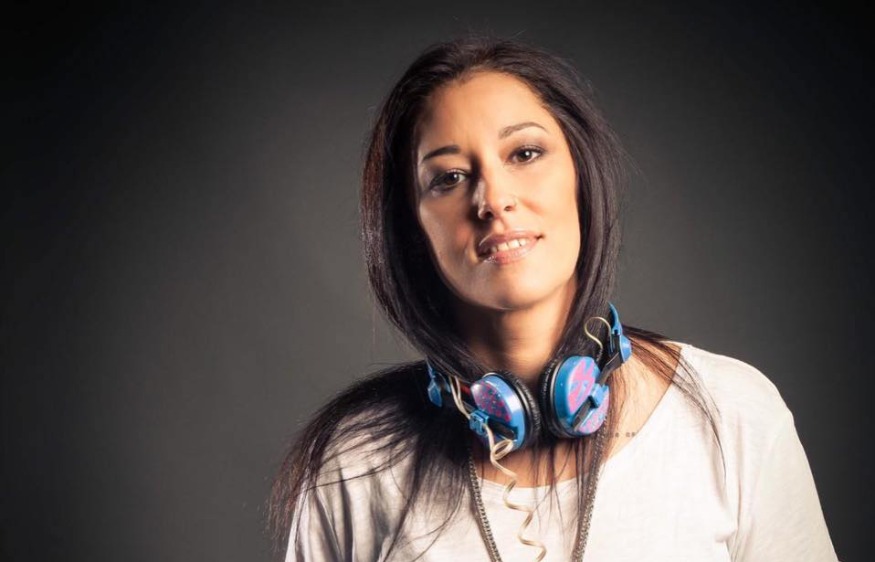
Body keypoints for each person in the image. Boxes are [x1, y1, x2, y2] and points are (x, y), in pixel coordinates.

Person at [268, 37, 838, 562]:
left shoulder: (731, 414)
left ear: (580, 175)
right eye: (449, 178)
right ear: (413, 228)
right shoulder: (354, 465)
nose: (494, 199)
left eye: (524, 154)